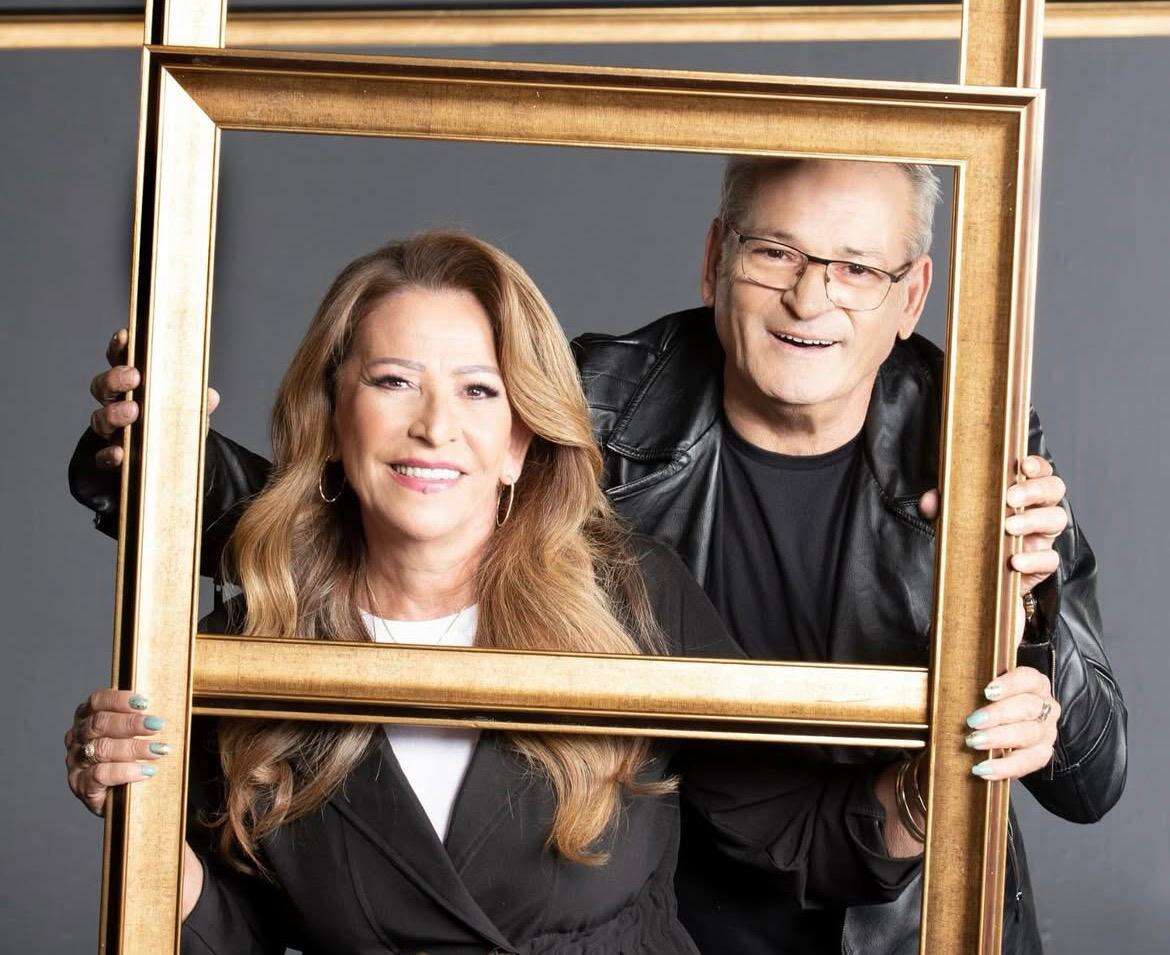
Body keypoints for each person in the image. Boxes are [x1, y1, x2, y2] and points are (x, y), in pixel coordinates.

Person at [69, 159, 1125, 953]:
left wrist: (1017, 637)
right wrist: (155, 460)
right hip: (670, 894)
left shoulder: (982, 455)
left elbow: (1082, 775)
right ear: (717, 258)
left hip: (864, 910)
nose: (812, 297)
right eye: (776, 253)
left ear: (912, 292)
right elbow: (382, 499)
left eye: (857, 267)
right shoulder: (606, 406)